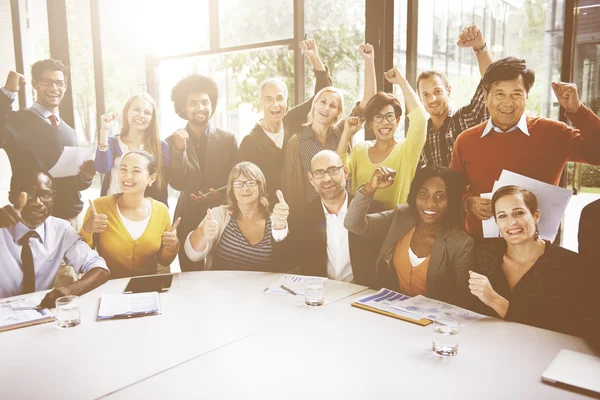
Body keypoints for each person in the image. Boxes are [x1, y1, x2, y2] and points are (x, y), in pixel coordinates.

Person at [450, 58, 600, 238]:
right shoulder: (466, 140)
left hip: (537, 248)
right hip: (481, 247)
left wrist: (577, 111)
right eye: (500, 94)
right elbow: (451, 189)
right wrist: (469, 202)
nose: (508, 102)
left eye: (516, 94)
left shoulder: (554, 133)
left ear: (527, 97)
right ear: (485, 95)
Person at [0, 59, 97, 286]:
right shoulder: (17, 120)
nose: (54, 88)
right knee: (55, 289)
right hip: (37, 218)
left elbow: (72, 183)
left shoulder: (68, 131)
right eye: (47, 82)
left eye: (60, 83)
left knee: (76, 283)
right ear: (34, 84)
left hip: (71, 218)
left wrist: (86, 177)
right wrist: (7, 92)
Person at [469, 185, 595, 336]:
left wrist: (496, 301)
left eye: (518, 213)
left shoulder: (569, 265)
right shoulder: (483, 254)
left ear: (536, 216)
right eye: (502, 216)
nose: (512, 222)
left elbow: (565, 326)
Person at [345, 165, 473, 306]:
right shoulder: (401, 217)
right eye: (423, 194)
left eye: (440, 196)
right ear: (415, 194)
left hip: (433, 322)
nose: (430, 203)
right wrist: (369, 188)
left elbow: (463, 300)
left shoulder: (461, 243)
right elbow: (353, 224)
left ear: (451, 201)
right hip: (392, 313)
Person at [281, 43, 377, 216]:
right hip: (314, 216)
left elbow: (369, 104)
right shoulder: (297, 142)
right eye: (323, 102)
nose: (326, 108)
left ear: (337, 114)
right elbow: (291, 188)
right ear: (314, 104)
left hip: (346, 212)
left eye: (333, 106)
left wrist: (369, 62)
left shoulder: (341, 131)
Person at [239, 39, 332, 205]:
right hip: (272, 213)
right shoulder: (250, 142)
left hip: (304, 205)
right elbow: (245, 185)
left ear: (286, 101)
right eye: (269, 99)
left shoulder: (292, 120)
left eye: (280, 98)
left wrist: (314, 57)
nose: (275, 105)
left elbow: (323, 93)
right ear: (260, 102)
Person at [0, 171, 108, 307]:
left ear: (53, 198)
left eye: (45, 195)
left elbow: (100, 268)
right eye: (28, 193)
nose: (37, 202)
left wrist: (70, 291)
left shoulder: (60, 230)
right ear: (11, 197)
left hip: (39, 313)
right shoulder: (1, 225)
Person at [166, 74, 239, 271]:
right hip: (187, 217)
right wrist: (179, 151)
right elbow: (177, 183)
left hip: (222, 217)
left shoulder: (228, 139)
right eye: (193, 103)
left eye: (205, 102)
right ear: (183, 107)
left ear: (212, 105)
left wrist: (222, 193)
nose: (200, 108)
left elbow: (237, 180)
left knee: (223, 276)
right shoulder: (171, 142)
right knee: (191, 279)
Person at [337, 67, 427, 210]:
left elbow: (420, 119)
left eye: (389, 116)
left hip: (393, 227)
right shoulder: (359, 150)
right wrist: (346, 133)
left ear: (397, 120)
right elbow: (339, 172)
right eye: (378, 117)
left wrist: (402, 82)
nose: (384, 122)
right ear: (370, 123)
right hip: (359, 226)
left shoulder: (406, 150)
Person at [80, 150, 179, 279]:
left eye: (136, 171)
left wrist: (172, 247)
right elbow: (82, 257)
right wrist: (87, 229)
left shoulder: (161, 211)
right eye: (123, 169)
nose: (127, 176)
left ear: (151, 178)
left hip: (145, 288)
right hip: (107, 286)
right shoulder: (99, 206)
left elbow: (164, 261)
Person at [294, 150, 384, 287]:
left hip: (363, 297)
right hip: (321, 297)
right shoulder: (303, 216)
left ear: (345, 172)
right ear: (311, 179)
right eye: (319, 173)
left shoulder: (373, 209)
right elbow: (288, 260)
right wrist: (279, 227)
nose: (327, 179)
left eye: (333, 170)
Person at [185, 162, 290, 272]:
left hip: (258, 288)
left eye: (251, 182)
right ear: (232, 188)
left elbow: (284, 262)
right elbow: (193, 255)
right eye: (238, 184)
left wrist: (280, 226)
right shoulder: (219, 214)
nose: (245, 188)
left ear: (260, 185)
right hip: (220, 286)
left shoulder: (274, 219)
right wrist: (203, 232)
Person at [418, 25, 492, 167]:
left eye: (437, 91)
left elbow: (490, 82)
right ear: (420, 99)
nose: (432, 99)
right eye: (425, 95)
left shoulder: (466, 118)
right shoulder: (421, 135)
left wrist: (480, 47)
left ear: (449, 91)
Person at [95, 93, 170, 205]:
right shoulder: (112, 142)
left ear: (152, 118)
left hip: (145, 213)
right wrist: (104, 131)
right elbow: (102, 168)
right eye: (137, 110)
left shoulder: (161, 146)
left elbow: (162, 186)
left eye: (147, 113)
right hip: (112, 209)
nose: (141, 115)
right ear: (127, 112)